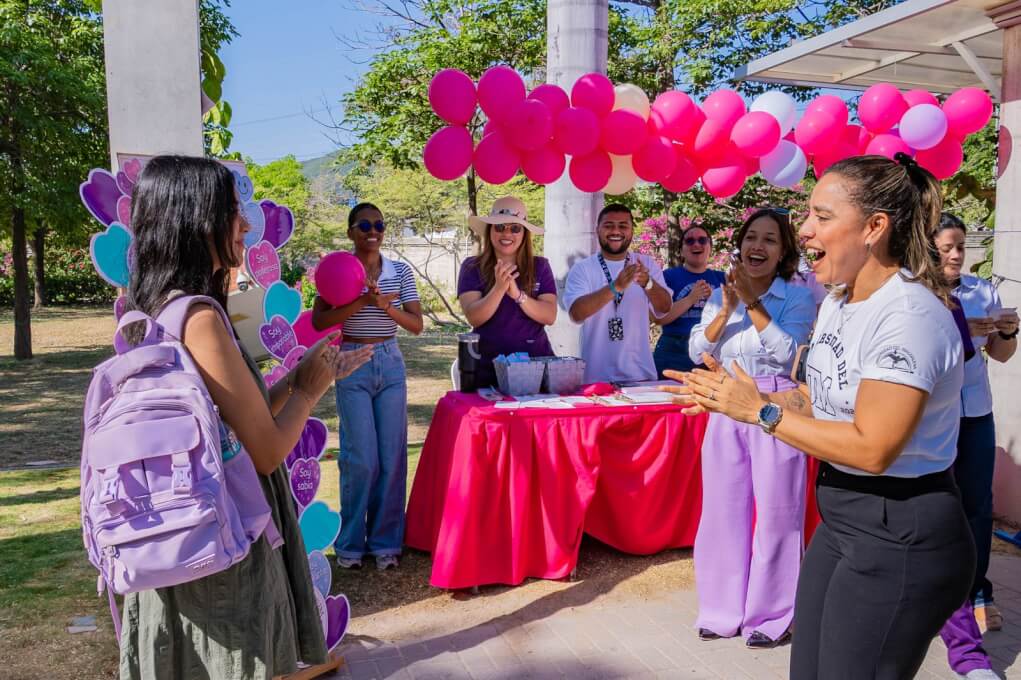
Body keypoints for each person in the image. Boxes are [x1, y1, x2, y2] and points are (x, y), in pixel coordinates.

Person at [669, 154, 974, 680]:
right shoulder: (838, 301)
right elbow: (822, 400)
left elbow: (872, 448)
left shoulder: (909, 315)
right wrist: (736, 398)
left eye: (821, 217)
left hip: (901, 528)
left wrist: (761, 411)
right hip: (844, 519)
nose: (804, 230)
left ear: (875, 227)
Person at [118, 155, 372, 680]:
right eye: (232, 211)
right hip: (225, 541)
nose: (246, 224)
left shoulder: (160, 309)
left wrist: (300, 377)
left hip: (182, 533)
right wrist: (307, 390)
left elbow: (234, 417)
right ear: (196, 219)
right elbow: (268, 450)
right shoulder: (202, 318)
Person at [685, 207, 816, 648]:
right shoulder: (724, 293)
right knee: (722, 511)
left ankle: (773, 616)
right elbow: (695, 347)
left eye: (770, 240)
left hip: (776, 404)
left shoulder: (796, 297)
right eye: (751, 238)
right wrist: (726, 309)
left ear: (783, 253)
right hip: (725, 404)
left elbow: (789, 356)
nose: (757, 246)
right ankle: (721, 611)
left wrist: (754, 304)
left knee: (778, 514)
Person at [311, 202, 424, 570]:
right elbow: (320, 320)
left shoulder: (400, 271)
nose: (372, 230)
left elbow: (416, 325)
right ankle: (350, 546)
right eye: (363, 224)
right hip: (352, 363)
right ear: (350, 232)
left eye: (378, 224)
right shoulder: (337, 270)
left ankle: (386, 544)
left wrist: (384, 307)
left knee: (392, 457)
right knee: (360, 459)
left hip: (389, 362)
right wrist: (363, 300)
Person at [935, 212, 1018, 680]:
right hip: (935, 417)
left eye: (960, 246)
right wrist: (966, 331)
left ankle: (975, 591)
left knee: (978, 508)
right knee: (939, 507)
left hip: (976, 414)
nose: (954, 254)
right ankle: (940, 600)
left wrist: (1005, 331)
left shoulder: (982, 291)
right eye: (946, 246)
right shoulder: (921, 293)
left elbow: (1001, 355)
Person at [564, 203, 673, 384]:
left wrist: (648, 283)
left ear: (631, 231)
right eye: (608, 225)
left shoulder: (646, 264)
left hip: (641, 376)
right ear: (597, 229)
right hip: (595, 379)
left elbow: (664, 308)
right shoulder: (582, 269)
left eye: (623, 226)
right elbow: (576, 314)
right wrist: (615, 287)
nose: (616, 231)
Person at [457, 196, 557, 388]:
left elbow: (549, 315)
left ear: (524, 233)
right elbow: (474, 317)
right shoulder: (471, 267)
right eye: (500, 227)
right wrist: (499, 288)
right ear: (490, 230)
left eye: (515, 228)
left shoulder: (540, 266)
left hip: (536, 368)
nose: (507, 233)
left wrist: (518, 295)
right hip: (486, 368)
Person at [653, 224, 726, 377]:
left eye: (702, 240)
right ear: (681, 251)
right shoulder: (668, 276)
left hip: (711, 352)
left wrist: (715, 298)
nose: (696, 244)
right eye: (690, 241)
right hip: (674, 350)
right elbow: (659, 318)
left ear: (710, 248)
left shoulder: (722, 278)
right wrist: (692, 298)